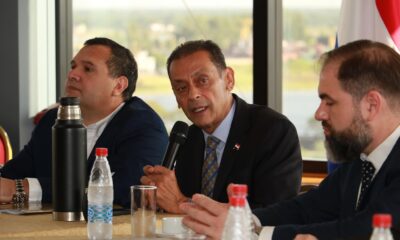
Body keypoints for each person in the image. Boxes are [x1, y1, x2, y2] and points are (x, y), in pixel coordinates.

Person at [180, 40, 400, 240]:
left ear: (371, 105)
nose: (319, 114)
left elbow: (365, 230)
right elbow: (308, 208)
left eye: (329, 102)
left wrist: (255, 235)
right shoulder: (360, 160)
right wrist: (246, 220)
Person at [0, 37, 168, 208]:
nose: (72, 75)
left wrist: (22, 189)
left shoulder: (144, 127)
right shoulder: (53, 119)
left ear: (118, 86)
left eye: (87, 69)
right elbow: (11, 175)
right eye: (73, 66)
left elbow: (124, 191)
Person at [141, 40, 302, 214]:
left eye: (202, 81)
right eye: (181, 88)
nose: (193, 94)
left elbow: (274, 213)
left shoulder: (273, 131)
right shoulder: (189, 138)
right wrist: (159, 200)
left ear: (229, 80)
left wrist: (182, 204)